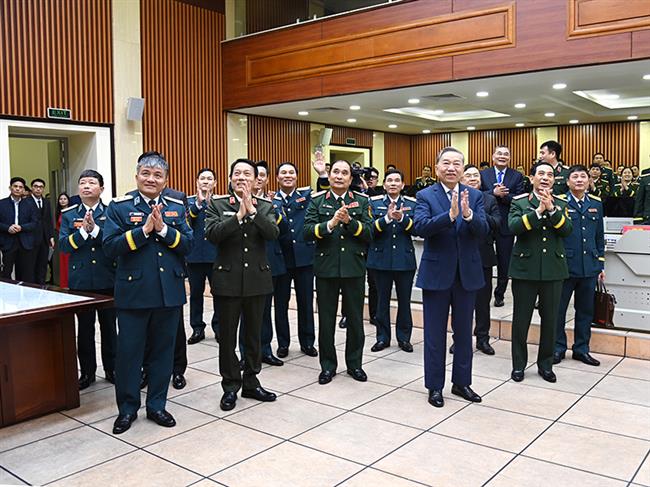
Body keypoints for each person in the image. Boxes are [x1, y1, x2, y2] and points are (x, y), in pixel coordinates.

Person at [104, 152, 193, 434]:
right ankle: (127, 409)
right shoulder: (118, 207)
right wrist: (143, 231)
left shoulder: (177, 206)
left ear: (166, 179)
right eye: (146, 173)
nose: (151, 179)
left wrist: (164, 229)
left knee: (163, 353)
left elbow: (188, 244)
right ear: (137, 176)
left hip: (169, 293)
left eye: (157, 175)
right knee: (129, 354)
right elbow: (110, 247)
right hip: (134, 293)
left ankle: (157, 405)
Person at [414, 147, 488, 408]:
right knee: (434, 335)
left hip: (467, 274)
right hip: (436, 274)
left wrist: (467, 215)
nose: (451, 168)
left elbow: (483, 230)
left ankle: (461, 382)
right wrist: (450, 216)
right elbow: (420, 227)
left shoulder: (476, 195)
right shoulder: (425, 195)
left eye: (457, 164)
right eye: (446, 163)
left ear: (463, 169)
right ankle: (435, 386)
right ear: (436, 168)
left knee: (464, 334)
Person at [205, 158, 279, 411]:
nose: (241, 177)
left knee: (253, 336)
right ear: (229, 178)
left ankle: (251, 381)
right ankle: (230, 386)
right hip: (227, 280)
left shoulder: (267, 206)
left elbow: (272, 234)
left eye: (247, 174)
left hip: (257, 280)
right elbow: (213, 235)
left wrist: (253, 211)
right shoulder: (217, 204)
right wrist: (238, 215)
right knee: (227, 338)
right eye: (237, 173)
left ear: (255, 179)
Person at [304, 160, 372, 385]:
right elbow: (306, 232)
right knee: (326, 319)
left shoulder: (361, 201)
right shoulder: (317, 201)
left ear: (351, 179)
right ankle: (327, 366)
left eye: (345, 173)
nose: (340, 176)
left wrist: (350, 222)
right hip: (326, 268)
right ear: (329, 176)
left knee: (355, 319)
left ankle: (355, 364)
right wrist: (331, 224)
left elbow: (369, 233)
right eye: (336, 172)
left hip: (353, 268)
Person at [508, 162, 572, 383]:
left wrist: (552, 210)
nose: (545, 178)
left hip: (553, 270)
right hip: (524, 270)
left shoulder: (561, 203)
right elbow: (513, 227)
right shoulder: (520, 201)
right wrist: (538, 211)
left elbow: (567, 230)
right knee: (521, 320)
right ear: (532, 177)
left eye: (550, 174)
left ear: (554, 180)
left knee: (551, 321)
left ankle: (545, 365)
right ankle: (518, 365)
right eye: (541, 174)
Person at [58, 170, 117, 389]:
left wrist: (95, 231)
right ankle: (87, 373)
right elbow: (64, 246)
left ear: (101, 188)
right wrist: (82, 232)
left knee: (110, 327)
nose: (86, 186)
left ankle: (112, 368)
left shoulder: (112, 212)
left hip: (107, 277)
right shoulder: (69, 214)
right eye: (82, 183)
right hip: (81, 280)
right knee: (84, 329)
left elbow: (114, 243)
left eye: (92, 183)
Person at [554, 165, 604, 367]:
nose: (579, 180)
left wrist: (600, 263)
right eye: (575, 177)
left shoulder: (596, 203)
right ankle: (558, 348)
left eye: (583, 176)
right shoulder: (560, 202)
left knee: (585, 311)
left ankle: (581, 349)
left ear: (589, 181)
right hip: (565, 265)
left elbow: (599, 234)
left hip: (590, 266)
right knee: (558, 310)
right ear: (567, 182)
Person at [367, 169, 417, 353]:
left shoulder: (412, 203)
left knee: (405, 301)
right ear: (384, 184)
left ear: (403, 185)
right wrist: (387, 219)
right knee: (381, 301)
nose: (393, 183)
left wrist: (402, 219)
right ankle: (382, 337)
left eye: (397, 180)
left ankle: (404, 338)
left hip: (404, 260)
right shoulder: (373, 202)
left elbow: (418, 228)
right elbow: (369, 229)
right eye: (390, 180)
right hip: (380, 259)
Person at [272, 161, 318, 358]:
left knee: (306, 302)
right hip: (280, 259)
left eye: (291, 172)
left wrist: (322, 173)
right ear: (277, 178)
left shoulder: (306, 197)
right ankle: (283, 343)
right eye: (283, 173)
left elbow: (323, 190)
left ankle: (307, 342)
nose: (288, 175)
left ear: (297, 177)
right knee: (281, 304)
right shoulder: (270, 201)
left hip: (304, 258)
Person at [460, 164, 501, 355]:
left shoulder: (489, 199)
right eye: (468, 175)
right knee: (460, 303)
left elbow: (497, 223)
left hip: (483, 257)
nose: (473, 178)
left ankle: (482, 339)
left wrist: (475, 215)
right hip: (459, 257)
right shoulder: (455, 198)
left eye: (476, 175)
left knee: (483, 302)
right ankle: (459, 339)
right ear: (461, 179)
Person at [480, 145, 524, 307]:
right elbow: (477, 194)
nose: (502, 156)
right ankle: (483, 290)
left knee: (505, 262)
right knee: (484, 259)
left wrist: (504, 196)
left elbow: (519, 198)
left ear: (510, 158)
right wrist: (493, 194)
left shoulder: (517, 176)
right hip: (486, 223)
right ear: (493, 156)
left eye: (506, 154)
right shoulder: (483, 174)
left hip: (506, 224)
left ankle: (500, 294)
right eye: (499, 153)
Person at [186, 168, 219, 344]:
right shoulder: (189, 201)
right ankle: (197, 328)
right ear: (197, 181)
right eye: (203, 178)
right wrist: (197, 205)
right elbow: (185, 222)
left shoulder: (220, 202)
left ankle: (219, 327)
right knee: (196, 294)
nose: (206, 181)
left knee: (219, 293)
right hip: (194, 256)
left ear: (215, 183)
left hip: (217, 256)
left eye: (209, 179)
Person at [0, 177, 39, 282]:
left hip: (25, 242)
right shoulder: (1, 204)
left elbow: (34, 223)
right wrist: (7, 228)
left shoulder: (30, 205)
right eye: (15, 186)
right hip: (8, 242)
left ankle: (25, 296)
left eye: (20, 187)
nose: (18, 189)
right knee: (6, 272)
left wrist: (22, 227)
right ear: (10, 188)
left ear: (23, 190)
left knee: (26, 273)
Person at [29, 178, 55, 285]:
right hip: (31, 238)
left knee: (43, 264)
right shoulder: (26, 202)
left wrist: (51, 236)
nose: (38, 189)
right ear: (32, 188)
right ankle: (32, 287)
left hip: (44, 238)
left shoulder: (46, 202)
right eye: (36, 186)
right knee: (31, 265)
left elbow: (48, 220)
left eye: (41, 187)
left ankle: (42, 286)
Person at [55, 192, 71, 288]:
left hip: (70, 240)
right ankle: (64, 284)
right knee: (63, 263)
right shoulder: (58, 213)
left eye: (65, 199)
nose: (62, 201)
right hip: (62, 240)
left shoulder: (72, 211)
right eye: (61, 199)